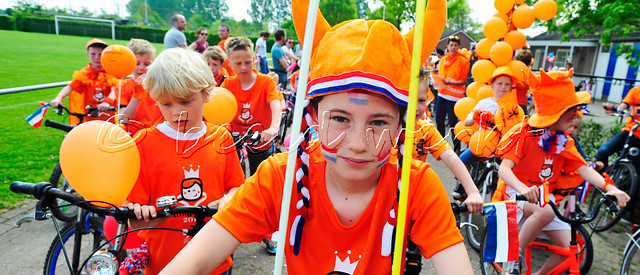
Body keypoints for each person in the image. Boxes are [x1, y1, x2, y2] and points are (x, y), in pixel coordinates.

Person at [160, 0, 473, 273]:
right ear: (313, 117)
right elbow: (193, 261)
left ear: (400, 126)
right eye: (339, 118)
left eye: (378, 122)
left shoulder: (415, 183)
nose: (357, 143)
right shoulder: (281, 177)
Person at [496, 69, 630, 275]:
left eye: (575, 109)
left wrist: (611, 188)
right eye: (569, 110)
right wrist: (525, 188)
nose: (575, 115)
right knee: (546, 210)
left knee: (574, 250)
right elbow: (504, 170)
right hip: (517, 193)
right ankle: (513, 256)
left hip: (545, 200)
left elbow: (584, 169)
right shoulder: (525, 134)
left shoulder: (564, 142)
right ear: (554, 113)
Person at [126, 48, 245, 275]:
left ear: (207, 93)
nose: (176, 113)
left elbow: (235, 186)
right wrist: (141, 213)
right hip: (164, 264)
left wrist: (228, 199)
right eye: (165, 104)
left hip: (216, 262)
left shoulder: (221, 138)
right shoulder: (142, 143)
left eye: (185, 101)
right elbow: (136, 221)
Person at [414, 69, 483, 213]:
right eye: (409, 99)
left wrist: (472, 191)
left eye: (421, 100)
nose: (416, 107)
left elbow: (451, 157)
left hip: (413, 197)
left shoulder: (426, 129)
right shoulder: (382, 127)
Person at [451, 66, 518, 200]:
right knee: (462, 160)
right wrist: (476, 117)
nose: (503, 87)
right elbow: (468, 121)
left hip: (503, 147)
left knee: (508, 170)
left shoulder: (513, 107)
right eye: (500, 83)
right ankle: (464, 186)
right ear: (492, 86)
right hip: (482, 144)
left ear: (511, 88)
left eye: (507, 84)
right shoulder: (485, 103)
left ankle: (504, 197)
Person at [220, 37, 282, 176]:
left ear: (254, 59)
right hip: (235, 142)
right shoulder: (228, 84)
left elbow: (276, 104)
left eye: (248, 62)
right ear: (229, 63)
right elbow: (218, 108)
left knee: (260, 179)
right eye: (238, 63)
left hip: (260, 142)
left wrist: (273, 128)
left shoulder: (266, 82)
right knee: (233, 181)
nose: (244, 67)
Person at [98, 38, 161, 135]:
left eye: (147, 64)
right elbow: (123, 119)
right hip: (132, 136)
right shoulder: (122, 86)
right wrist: (137, 95)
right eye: (137, 63)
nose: (141, 68)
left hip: (155, 135)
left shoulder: (160, 84)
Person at [49, 38, 117, 125]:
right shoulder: (85, 73)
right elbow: (70, 87)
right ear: (87, 55)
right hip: (88, 115)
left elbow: (115, 89)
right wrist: (59, 98)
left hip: (107, 115)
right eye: (93, 54)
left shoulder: (110, 72)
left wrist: (107, 102)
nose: (96, 57)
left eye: (100, 54)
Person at [435, 35, 469, 151]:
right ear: (447, 46)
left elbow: (464, 81)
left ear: (459, 47)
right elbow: (441, 75)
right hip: (442, 95)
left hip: (454, 98)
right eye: (451, 45)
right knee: (438, 120)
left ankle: (457, 148)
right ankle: (440, 145)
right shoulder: (443, 59)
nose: (453, 47)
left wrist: (450, 82)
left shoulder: (463, 61)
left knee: (453, 124)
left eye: (455, 45)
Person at [595, 86, 640, 171]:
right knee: (603, 151)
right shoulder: (635, 91)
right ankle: (602, 179)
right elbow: (625, 104)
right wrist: (615, 109)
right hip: (630, 132)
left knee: (637, 171)